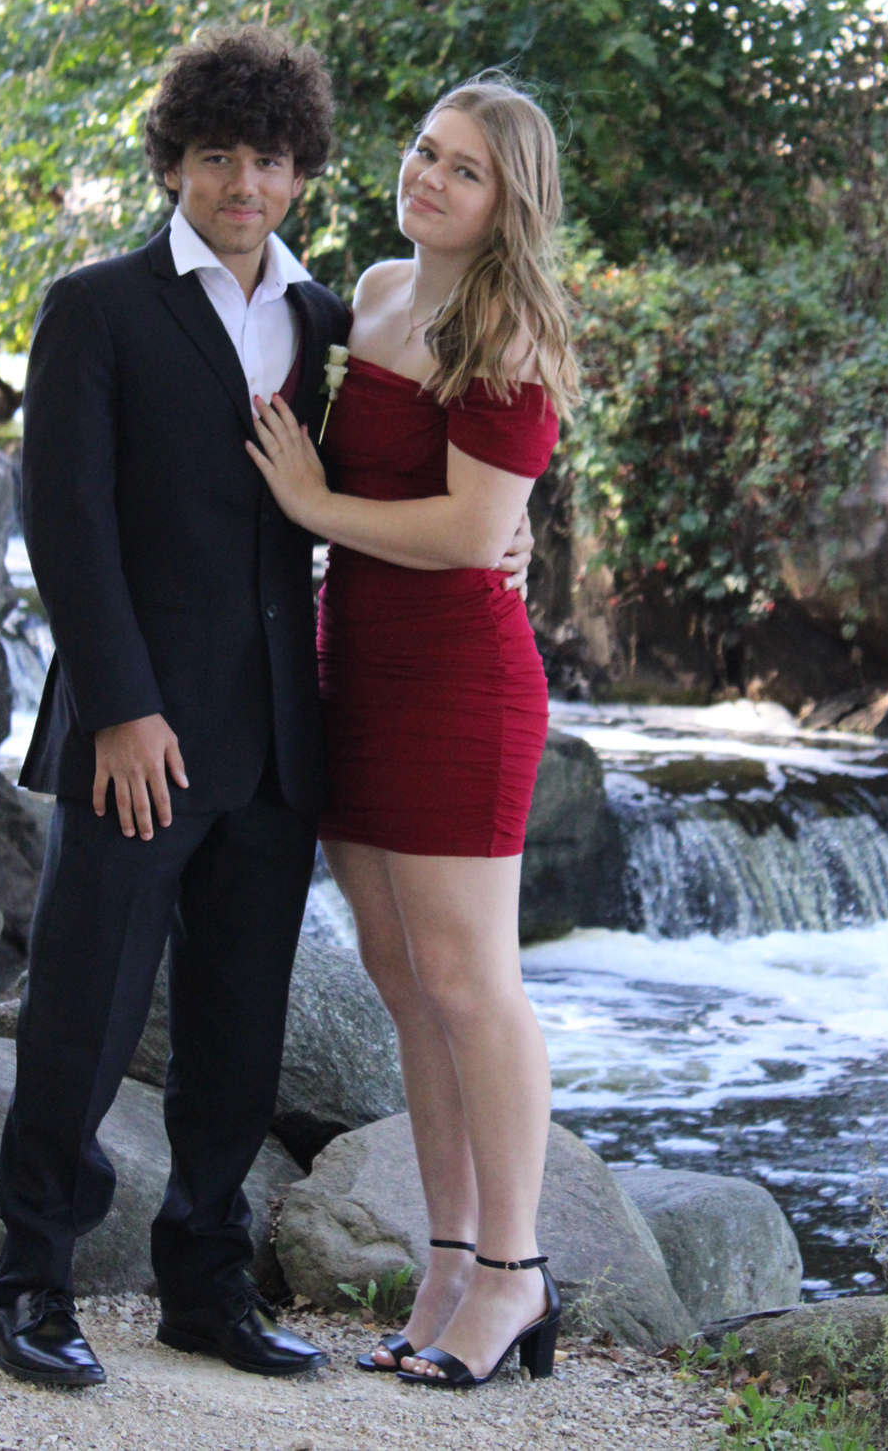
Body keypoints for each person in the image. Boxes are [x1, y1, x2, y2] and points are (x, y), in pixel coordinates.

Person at [0, 28, 534, 1389]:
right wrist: (120, 708)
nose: (245, 183)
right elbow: (66, 526)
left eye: (271, 160)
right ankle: (29, 1284)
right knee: (85, 1014)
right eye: (216, 156)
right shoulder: (95, 307)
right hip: (139, 737)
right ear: (173, 162)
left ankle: (205, 1284)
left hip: (287, 735)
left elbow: (424, 471)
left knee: (238, 1029)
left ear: (300, 172)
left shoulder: (329, 319)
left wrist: (507, 535)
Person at [246, 72, 579, 1389]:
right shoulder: (376, 294)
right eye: (425, 152)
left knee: (469, 981)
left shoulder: (509, 330)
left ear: (508, 204)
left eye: (464, 169)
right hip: (357, 670)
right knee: (401, 979)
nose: (428, 178)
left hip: (457, 683)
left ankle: (515, 1274)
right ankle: (446, 1262)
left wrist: (314, 506)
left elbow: (465, 530)